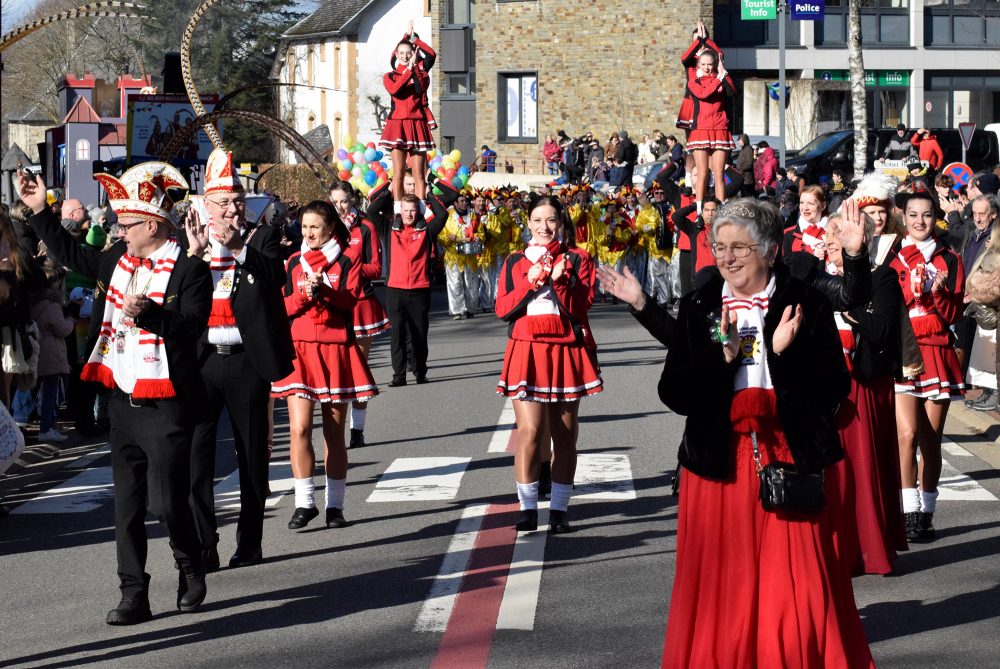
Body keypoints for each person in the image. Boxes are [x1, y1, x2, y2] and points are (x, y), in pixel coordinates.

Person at [659, 197, 875, 668]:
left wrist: (780, 355)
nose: (727, 258)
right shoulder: (700, 304)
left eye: (740, 247)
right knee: (723, 581)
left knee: (795, 583)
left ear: (771, 249)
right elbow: (676, 393)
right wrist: (725, 357)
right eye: (719, 247)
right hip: (717, 462)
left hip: (787, 455)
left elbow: (834, 390)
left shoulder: (804, 301)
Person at [18, 165, 212, 625]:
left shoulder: (190, 271)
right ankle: (133, 594)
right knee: (125, 507)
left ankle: (190, 562)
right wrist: (39, 209)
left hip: (167, 405)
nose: (117, 232)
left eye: (125, 225)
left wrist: (151, 316)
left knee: (167, 503)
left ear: (151, 224)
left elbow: (190, 329)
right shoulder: (115, 262)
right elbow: (67, 253)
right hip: (122, 401)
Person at [183, 148, 295, 571]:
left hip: (247, 361)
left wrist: (239, 250)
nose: (234, 209)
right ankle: (204, 541)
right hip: (203, 361)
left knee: (252, 457)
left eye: (238, 202)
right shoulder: (189, 242)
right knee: (197, 457)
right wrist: (195, 255)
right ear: (206, 207)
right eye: (225, 203)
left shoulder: (259, 237)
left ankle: (250, 542)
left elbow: (275, 275)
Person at [495, 195, 602, 534]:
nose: (544, 227)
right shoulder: (514, 260)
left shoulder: (579, 258)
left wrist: (558, 279)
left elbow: (580, 306)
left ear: (561, 223)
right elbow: (502, 309)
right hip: (526, 350)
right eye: (538, 220)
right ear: (528, 223)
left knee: (565, 435)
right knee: (529, 432)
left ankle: (558, 510)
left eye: (551, 220)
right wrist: (531, 281)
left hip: (566, 350)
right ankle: (527, 509)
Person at [270, 200, 378, 530]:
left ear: (330, 227)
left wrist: (324, 291)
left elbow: (350, 302)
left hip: (335, 350)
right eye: (304, 226)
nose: (309, 232)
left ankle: (335, 506)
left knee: (333, 432)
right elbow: (282, 306)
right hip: (299, 351)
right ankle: (305, 503)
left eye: (315, 226)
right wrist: (303, 295)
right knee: (300, 428)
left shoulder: (346, 260)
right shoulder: (293, 262)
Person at [823, 206, 908, 575]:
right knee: (832, 472)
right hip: (825, 388)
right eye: (827, 236)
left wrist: (849, 307)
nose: (829, 243)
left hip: (864, 385)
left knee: (862, 467)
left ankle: (870, 548)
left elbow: (883, 332)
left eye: (837, 236)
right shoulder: (816, 280)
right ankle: (837, 547)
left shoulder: (883, 278)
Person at [890, 189, 965, 542]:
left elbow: (953, 314)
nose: (919, 221)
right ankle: (909, 510)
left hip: (937, 352)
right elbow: (887, 304)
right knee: (905, 436)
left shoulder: (949, 257)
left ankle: (928, 513)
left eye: (926, 214)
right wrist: (912, 289)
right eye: (913, 214)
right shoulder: (891, 255)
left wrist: (937, 292)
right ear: (903, 217)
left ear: (934, 217)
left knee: (930, 441)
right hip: (904, 352)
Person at [330, 181, 388, 448]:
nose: (340, 207)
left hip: (360, 304)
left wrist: (350, 269)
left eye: (343, 201)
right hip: (331, 305)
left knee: (358, 369)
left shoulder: (365, 228)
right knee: (334, 370)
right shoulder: (325, 228)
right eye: (335, 202)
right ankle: (334, 429)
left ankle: (358, 429)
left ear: (352, 199)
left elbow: (376, 268)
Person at [379, 20, 436, 206]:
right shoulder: (390, 76)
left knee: (420, 174)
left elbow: (420, 88)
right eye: (401, 53)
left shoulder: (422, 74)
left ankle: (420, 209)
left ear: (414, 54)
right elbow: (395, 90)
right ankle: (397, 210)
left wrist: (414, 41)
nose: (404, 56)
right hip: (397, 124)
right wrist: (405, 38)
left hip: (417, 123)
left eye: (408, 53)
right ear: (396, 54)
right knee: (399, 172)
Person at [29, 266, 75, 443]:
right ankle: (46, 427)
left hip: (38, 349)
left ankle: (44, 424)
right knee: (51, 392)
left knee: (38, 389)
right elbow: (62, 329)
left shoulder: (35, 303)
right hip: (52, 352)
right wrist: (70, 320)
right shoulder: (53, 305)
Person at [686, 48, 736, 208]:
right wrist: (719, 78)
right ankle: (700, 210)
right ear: (698, 64)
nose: (707, 67)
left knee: (719, 173)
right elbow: (704, 94)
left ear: (715, 64)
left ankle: (720, 208)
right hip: (701, 129)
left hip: (720, 129)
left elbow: (733, 92)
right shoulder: (694, 80)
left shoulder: (721, 77)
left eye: (710, 64)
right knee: (702, 173)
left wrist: (724, 73)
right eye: (703, 64)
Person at [438, 192, 484, 319]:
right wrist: (448, 238)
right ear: (455, 203)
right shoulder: (447, 216)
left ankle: (471, 308)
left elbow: (480, 232)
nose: (464, 203)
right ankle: (457, 311)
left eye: (465, 201)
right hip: (453, 255)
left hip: (469, 255)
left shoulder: (474, 216)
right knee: (454, 283)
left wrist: (478, 238)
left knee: (471, 283)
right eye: (461, 201)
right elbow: (440, 235)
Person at [783, 184, 829, 257]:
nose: (805, 208)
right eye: (802, 203)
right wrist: (811, 253)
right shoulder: (788, 234)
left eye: (810, 203)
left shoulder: (833, 233)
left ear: (823, 206)